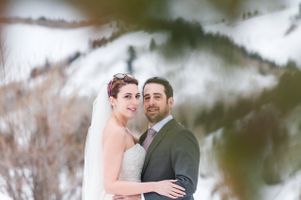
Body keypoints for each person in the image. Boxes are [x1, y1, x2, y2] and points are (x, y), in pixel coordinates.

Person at [82, 73, 186, 200]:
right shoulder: (116, 133)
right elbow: (110, 185)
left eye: (137, 96)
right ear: (112, 100)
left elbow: (149, 143)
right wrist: (155, 186)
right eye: (127, 96)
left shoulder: (122, 129)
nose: (134, 102)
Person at [115, 77, 200, 200]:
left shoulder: (182, 136)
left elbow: (187, 185)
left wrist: (146, 193)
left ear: (170, 102)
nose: (151, 102)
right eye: (147, 97)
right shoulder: (144, 137)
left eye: (157, 97)